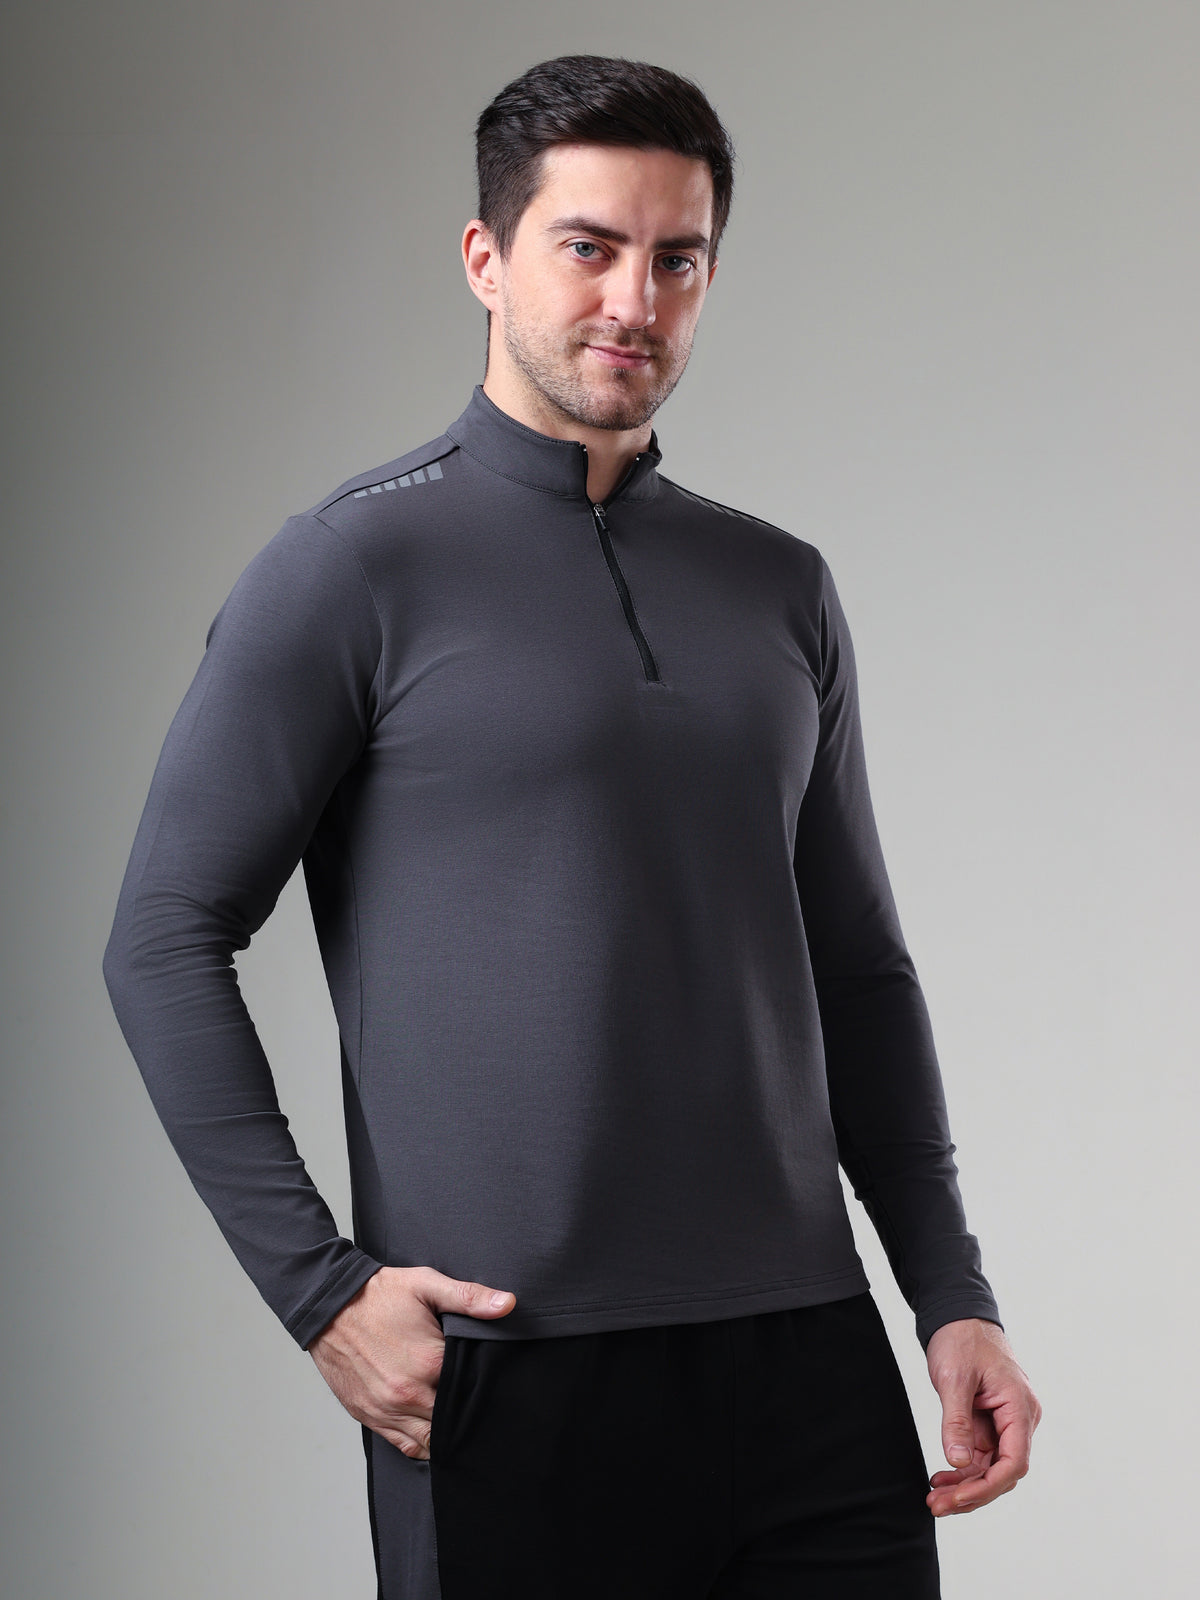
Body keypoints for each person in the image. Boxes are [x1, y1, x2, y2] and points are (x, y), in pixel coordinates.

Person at [103, 53, 1040, 1600]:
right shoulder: (350, 568)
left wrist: (950, 1292)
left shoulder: (779, 586)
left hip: (806, 1359)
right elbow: (161, 936)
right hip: (511, 1369)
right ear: (487, 258)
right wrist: (319, 1291)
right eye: (589, 247)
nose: (634, 301)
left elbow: (859, 968)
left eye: (678, 260)